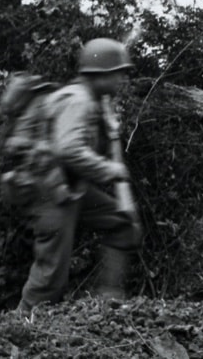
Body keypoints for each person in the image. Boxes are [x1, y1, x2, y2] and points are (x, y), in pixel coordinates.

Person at [19, 38, 142, 310]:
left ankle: (107, 302)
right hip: (51, 193)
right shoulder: (78, 100)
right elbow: (68, 150)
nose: (121, 79)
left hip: (70, 188)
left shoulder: (92, 100)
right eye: (117, 73)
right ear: (101, 74)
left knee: (122, 225)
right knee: (50, 279)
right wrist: (110, 170)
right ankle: (15, 335)